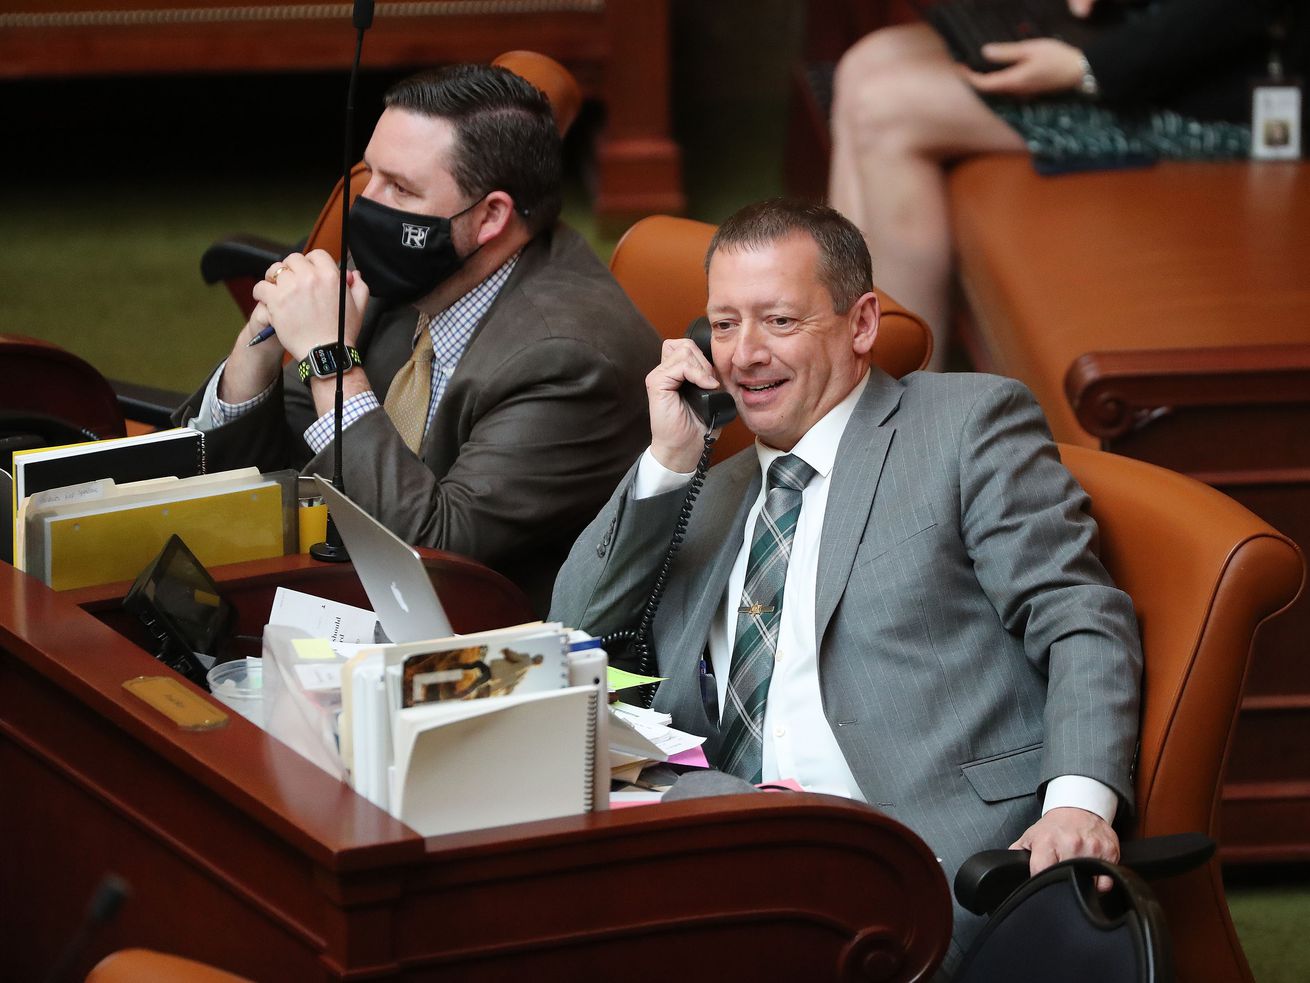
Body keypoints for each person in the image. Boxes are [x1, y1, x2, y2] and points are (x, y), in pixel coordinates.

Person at [549, 199, 1141, 967]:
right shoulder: (710, 489)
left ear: (861, 324)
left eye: (779, 321)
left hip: (920, 862)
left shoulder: (963, 426)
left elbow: (1080, 619)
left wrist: (1075, 807)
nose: (744, 355)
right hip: (720, 844)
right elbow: (572, 634)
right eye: (723, 325)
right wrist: (666, 461)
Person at [176, 64, 661, 614]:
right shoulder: (408, 271)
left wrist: (332, 363)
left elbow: (433, 549)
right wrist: (261, 345)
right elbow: (281, 455)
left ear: (491, 216)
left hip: (480, 629)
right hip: (342, 593)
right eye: (370, 176)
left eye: (401, 188)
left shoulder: (568, 360)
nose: (367, 207)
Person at [828, 0, 1286, 366]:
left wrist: (1087, 67)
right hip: (1133, 35)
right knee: (865, 63)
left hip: (1233, 97)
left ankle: (894, 414)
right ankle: (840, 381)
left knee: (883, 113)